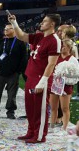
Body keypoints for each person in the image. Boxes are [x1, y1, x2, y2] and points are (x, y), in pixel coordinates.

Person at [9, 12, 61, 143]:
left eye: (44, 21)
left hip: (41, 78)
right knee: (31, 108)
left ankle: (39, 135)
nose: (41, 23)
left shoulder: (55, 40)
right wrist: (14, 23)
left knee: (40, 109)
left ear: (52, 24)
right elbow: (21, 36)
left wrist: (43, 82)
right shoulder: (39, 36)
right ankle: (31, 131)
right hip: (31, 76)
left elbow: (52, 63)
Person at [0, 23, 28, 119]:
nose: (5, 30)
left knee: (12, 94)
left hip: (13, 73)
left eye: (8, 29)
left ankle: (10, 112)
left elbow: (24, 58)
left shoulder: (20, 43)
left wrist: (18, 71)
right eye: (5, 29)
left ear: (14, 30)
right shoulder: (0, 42)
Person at [49, 39, 79, 132]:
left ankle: (64, 128)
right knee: (53, 107)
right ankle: (52, 126)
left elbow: (77, 74)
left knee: (65, 108)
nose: (61, 48)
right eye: (61, 46)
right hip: (55, 85)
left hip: (66, 86)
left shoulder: (73, 59)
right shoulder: (56, 57)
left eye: (64, 46)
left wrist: (65, 76)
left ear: (69, 48)